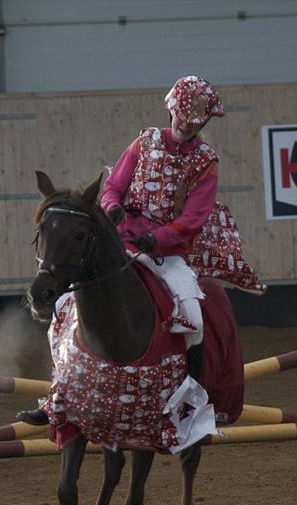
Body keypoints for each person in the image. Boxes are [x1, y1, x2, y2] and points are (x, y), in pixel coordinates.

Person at [17, 75, 265, 426]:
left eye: (193, 122)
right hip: (122, 242)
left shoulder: (206, 163)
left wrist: (160, 238)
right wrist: (113, 207)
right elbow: (114, 185)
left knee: (193, 316)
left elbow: (194, 219)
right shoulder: (144, 141)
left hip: (169, 253)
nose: (184, 125)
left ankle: (190, 397)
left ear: (203, 123)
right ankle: (57, 395)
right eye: (181, 117)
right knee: (62, 305)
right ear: (171, 112)